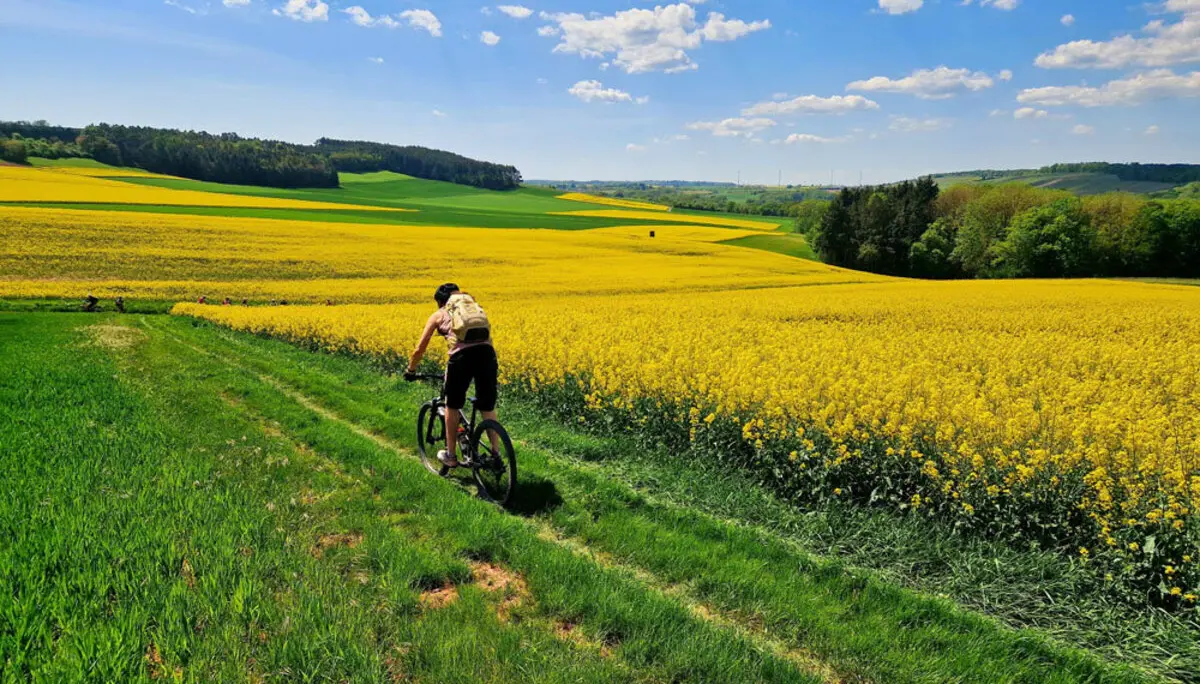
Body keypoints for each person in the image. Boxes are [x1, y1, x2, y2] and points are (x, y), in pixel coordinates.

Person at [405, 283, 500, 468]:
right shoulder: (474, 308)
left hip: (462, 359)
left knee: (452, 404)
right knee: (486, 404)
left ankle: (450, 455)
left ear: (440, 301)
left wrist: (411, 370)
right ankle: (496, 454)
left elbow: (419, 349)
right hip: (488, 355)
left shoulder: (440, 313)